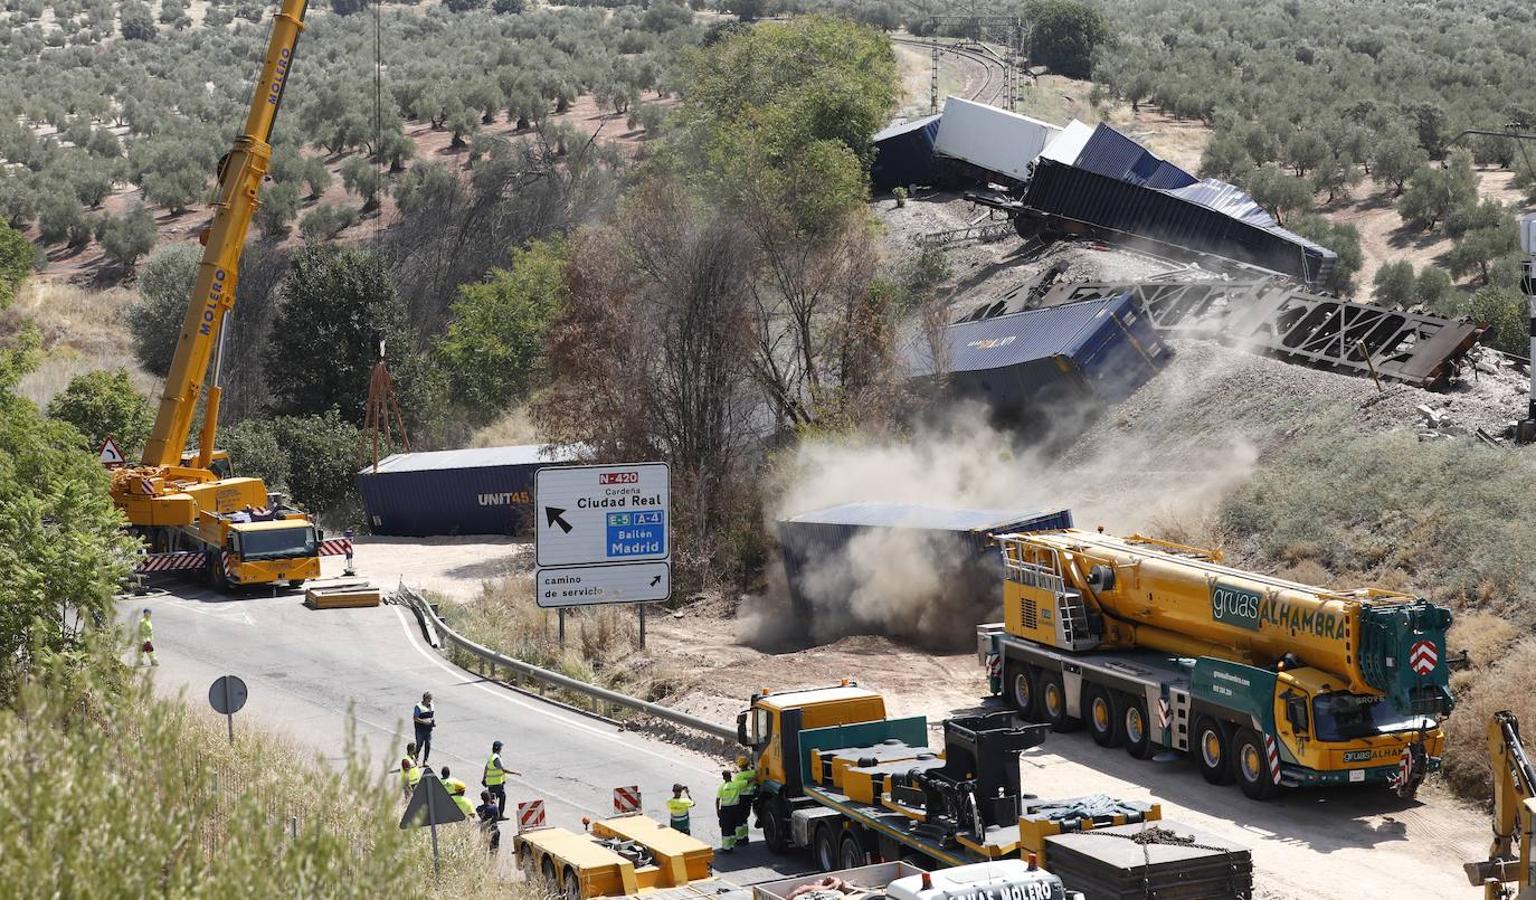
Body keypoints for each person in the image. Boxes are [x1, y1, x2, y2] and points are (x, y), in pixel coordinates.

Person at [483, 740, 520, 821]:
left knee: (494, 799)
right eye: (501, 747)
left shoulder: (491, 757)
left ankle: (493, 816)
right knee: (500, 798)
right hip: (497, 784)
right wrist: (515, 773)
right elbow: (503, 770)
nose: (501, 749)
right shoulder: (496, 758)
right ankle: (498, 815)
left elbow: (486, 768)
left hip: (492, 783)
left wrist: (484, 778)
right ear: (498, 748)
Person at [732, 756, 757, 848]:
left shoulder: (739, 776)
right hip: (749, 798)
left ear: (739, 765)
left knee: (739, 820)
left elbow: (736, 787)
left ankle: (739, 839)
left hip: (741, 799)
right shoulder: (753, 773)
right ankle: (745, 837)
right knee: (745, 819)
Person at [715, 770, 740, 852]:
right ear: (730, 776)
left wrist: (718, 810)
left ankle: (726, 848)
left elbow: (718, 800)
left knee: (725, 828)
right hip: (735, 808)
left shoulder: (722, 787)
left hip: (726, 809)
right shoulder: (737, 785)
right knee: (732, 827)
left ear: (724, 777)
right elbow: (747, 782)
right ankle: (732, 845)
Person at [476, 790, 502, 855]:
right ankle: (493, 862)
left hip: (484, 830)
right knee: (494, 850)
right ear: (490, 798)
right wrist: (494, 804)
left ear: (482, 798)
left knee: (484, 849)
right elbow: (497, 817)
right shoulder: (494, 807)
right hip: (494, 830)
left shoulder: (478, 809)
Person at [413, 692, 435, 764]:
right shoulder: (418, 707)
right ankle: (416, 757)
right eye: (429, 699)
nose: (430, 701)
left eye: (431, 699)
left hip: (428, 729)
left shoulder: (431, 706)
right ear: (425, 699)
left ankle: (425, 760)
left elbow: (431, 716)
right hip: (420, 729)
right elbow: (415, 718)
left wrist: (432, 722)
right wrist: (424, 722)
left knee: (428, 744)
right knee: (419, 744)